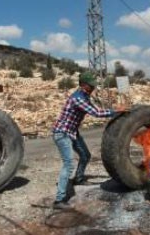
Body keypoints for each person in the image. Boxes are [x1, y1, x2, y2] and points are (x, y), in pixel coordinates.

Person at [51, 71, 125, 206]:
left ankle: (79, 179)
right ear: (84, 85)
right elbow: (95, 113)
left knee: (85, 155)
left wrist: (114, 110)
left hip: (72, 132)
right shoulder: (78, 98)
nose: (94, 88)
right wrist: (116, 111)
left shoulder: (85, 97)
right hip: (62, 133)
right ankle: (59, 200)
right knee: (68, 164)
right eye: (92, 86)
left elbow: (95, 108)